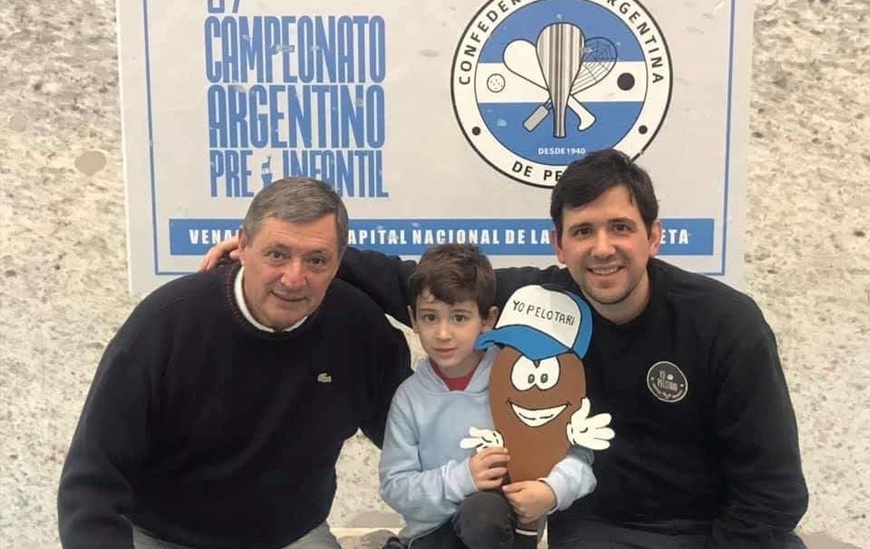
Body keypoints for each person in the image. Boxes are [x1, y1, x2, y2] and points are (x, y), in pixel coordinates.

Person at [199, 149, 809, 548]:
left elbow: (774, 489)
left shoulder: (726, 323)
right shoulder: (537, 302)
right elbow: (415, 283)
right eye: (583, 231)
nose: (602, 248)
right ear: (560, 244)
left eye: (621, 228)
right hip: (600, 527)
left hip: (718, 529)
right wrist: (289, 255)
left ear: (654, 236)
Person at [58, 177, 411, 549]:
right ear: (243, 245)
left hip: (291, 537)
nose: (294, 279)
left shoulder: (360, 329)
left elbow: (418, 440)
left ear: (339, 261)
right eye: (277, 254)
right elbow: (91, 480)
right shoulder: (165, 326)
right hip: (162, 537)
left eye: (316, 260)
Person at [378, 244, 597, 549]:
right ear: (413, 319)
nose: (443, 333)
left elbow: (578, 453)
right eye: (430, 317)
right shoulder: (409, 398)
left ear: (488, 319)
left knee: (483, 513)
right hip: (431, 535)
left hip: (504, 529)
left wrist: (553, 490)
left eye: (459, 318)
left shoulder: (520, 377)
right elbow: (395, 487)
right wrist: (463, 478)